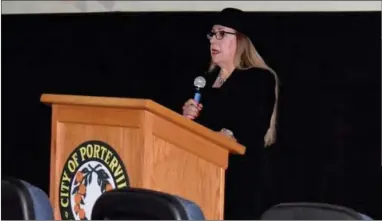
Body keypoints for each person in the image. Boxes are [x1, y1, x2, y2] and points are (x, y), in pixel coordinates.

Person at [181, 8, 280, 219]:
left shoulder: (259, 79)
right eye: (211, 34)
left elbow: (253, 129)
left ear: (241, 40)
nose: (212, 41)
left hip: (241, 181)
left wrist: (226, 134)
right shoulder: (205, 82)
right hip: (202, 176)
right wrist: (187, 119)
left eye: (222, 33)